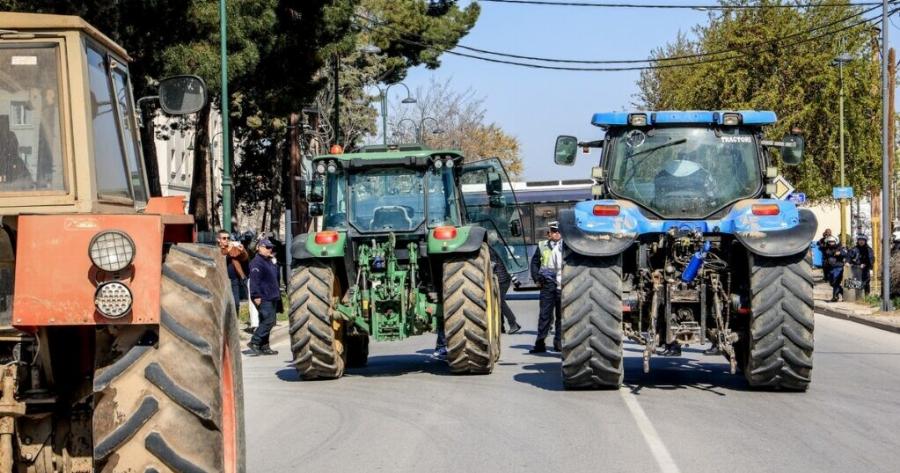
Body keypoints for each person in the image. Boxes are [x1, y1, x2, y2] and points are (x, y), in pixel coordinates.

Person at [529, 221, 563, 354]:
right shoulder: (542, 245)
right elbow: (535, 263)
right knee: (544, 314)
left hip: (562, 283)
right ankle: (540, 343)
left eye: (559, 231)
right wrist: (537, 279)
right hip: (547, 284)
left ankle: (558, 343)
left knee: (561, 315)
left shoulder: (567, 245)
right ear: (549, 233)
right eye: (554, 231)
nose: (556, 234)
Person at [248, 238, 281, 356]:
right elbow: (254, 281)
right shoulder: (256, 262)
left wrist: (274, 262)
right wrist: (256, 295)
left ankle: (264, 346)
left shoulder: (269, 261)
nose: (269, 249)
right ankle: (255, 341)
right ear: (260, 248)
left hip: (271, 295)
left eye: (270, 247)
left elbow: (275, 276)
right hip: (263, 296)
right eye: (267, 247)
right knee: (268, 321)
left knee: (266, 321)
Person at [488, 232, 521, 334]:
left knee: (500, 302)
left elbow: (493, 264)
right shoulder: (500, 246)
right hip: (505, 278)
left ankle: (513, 324)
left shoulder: (491, 249)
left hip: (500, 279)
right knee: (498, 302)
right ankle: (501, 326)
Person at [217, 230, 248, 317]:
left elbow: (244, 258)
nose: (226, 240)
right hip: (221, 280)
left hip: (234, 279)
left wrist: (242, 251)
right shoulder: (216, 249)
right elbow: (221, 256)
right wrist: (228, 250)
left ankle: (235, 320)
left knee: (236, 303)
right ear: (218, 239)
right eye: (224, 238)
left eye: (228, 238)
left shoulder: (232, 248)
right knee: (224, 304)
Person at [821, 235, 847, 302]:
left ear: (835, 242)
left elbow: (845, 253)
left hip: (838, 267)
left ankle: (835, 297)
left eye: (832, 241)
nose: (831, 243)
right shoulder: (826, 248)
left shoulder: (839, 247)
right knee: (832, 283)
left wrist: (840, 253)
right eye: (830, 241)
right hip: (830, 268)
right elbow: (821, 246)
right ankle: (843, 293)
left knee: (836, 282)